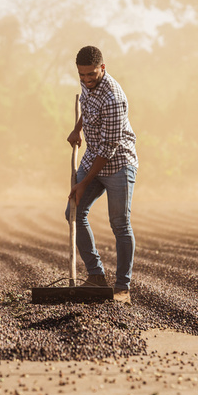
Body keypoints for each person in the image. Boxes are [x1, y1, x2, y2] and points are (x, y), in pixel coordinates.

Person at [66, 46, 138, 304]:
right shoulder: (87, 83)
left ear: (103, 69)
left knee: (119, 224)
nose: (86, 80)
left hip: (118, 163)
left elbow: (108, 150)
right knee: (73, 212)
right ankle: (96, 275)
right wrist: (77, 129)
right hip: (93, 156)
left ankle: (122, 288)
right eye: (81, 75)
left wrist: (84, 183)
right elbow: (86, 107)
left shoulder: (114, 98)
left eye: (91, 76)